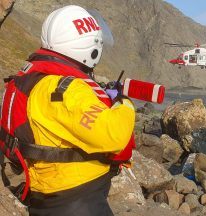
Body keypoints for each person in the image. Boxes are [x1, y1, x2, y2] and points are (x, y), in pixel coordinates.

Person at [0, 5, 135, 216]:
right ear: (90, 48)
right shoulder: (67, 89)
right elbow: (113, 134)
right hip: (76, 197)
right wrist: (123, 103)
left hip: (45, 192)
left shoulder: (36, 78)